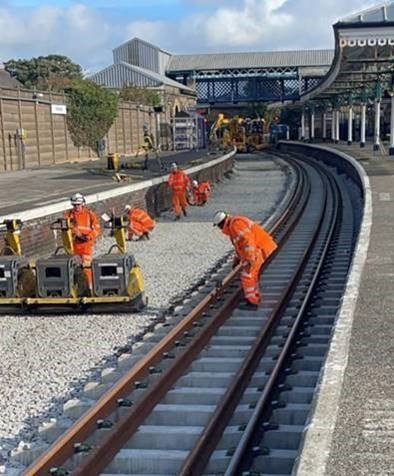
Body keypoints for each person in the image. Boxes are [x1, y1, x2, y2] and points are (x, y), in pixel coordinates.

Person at [213, 211, 277, 310]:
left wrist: (250, 258)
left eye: (219, 226)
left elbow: (247, 241)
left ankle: (252, 302)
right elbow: (240, 246)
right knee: (252, 274)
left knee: (247, 275)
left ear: (222, 223)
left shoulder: (236, 224)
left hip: (257, 249)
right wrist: (237, 259)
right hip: (260, 248)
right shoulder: (233, 225)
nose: (220, 229)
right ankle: (255, 296)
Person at [64, 193, 101, 292]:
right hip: (74, 243)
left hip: (86, 244)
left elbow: (97, 228)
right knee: (73, 266)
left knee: (86, 266)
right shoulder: (69, 214)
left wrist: (89, 236)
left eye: (78, 205)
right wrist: (76, 234)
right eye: (74, 205)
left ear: (83, 204)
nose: (76, 207)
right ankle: (76, 287)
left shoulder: (89, 214)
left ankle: (89, 287)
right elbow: (66, 228)